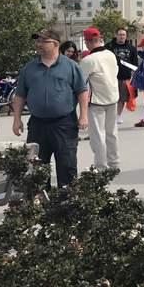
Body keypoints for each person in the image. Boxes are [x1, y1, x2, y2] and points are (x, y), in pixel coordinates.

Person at [12, 28, 89, 187]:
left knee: (67, 166)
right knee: (37, 168)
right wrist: (17, 119)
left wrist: (83, 115)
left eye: (43, 41)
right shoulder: (29, 68)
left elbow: (82, 92)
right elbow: (20, 96)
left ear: (55, 44)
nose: (39, 44)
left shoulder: (71, 66)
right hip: (37, 125)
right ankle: (40, 199)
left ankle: (67, 199)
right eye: (38, 41)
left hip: (64, 124)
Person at [79, 27, 120, 171]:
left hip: (97, 101)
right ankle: (114, 164)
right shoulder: (111, 54)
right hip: (113, 98)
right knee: (112, 133)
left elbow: (80, 82)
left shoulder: (88, 60)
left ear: (87, 42)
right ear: (99, 39)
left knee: (98, 136)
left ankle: (101, 166)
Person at [106, 28, 139, 125]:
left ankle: (118, 116)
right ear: (116, 35)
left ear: (126, 36)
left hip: (125, 77)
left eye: (123, 35)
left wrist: (134, 74)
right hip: (111, 77)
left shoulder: (131, 48)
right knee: (111, 98)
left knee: (122, 98)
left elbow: (135, 64)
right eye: (120, 34)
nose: (122, 36)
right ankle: (110, 115)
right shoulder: (108, 46)